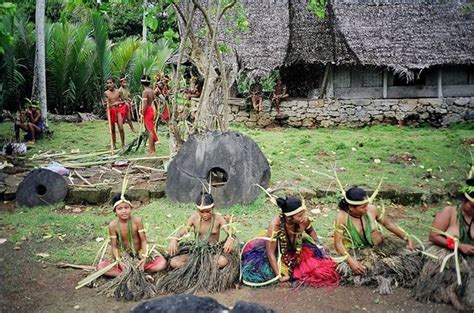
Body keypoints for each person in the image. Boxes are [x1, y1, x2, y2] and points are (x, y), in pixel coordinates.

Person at [333, 187, 421, 294]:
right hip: (358, 252)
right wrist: (351, 261)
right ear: (351, 207)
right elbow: (338, 243)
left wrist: (406, 237)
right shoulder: (342, 217)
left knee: (408, 261)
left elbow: (388, 224)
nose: (366, 208)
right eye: (362, 207)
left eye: (367, 204)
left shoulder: (372, 209)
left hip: (382, 248)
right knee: (359, 272)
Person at [241, 196, 339, 287]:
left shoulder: (303, 221)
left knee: (321, 270)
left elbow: (310, 231)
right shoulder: (275, 225)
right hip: (279, 253)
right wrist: (278, 276)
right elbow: (270, 253)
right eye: (299, 216)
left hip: (297, 249)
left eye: (303, 214)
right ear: (289, 217)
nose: (303, 218)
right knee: (263, 272)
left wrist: (319, 246)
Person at [156, 192, 239, 294]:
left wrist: (230, 238)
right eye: (201, 211)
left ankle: (194, 270)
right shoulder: (194, 217)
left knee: (223, 261)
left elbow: (230, 232)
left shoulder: (218, 218)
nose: (204, 215)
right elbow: (184, 230)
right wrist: (174, 239)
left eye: (208, 211)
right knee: (174, 262)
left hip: (212, 252)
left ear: (213, 207)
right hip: (197, 252)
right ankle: (202, 270)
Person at [414, 175, 474, 310]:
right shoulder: (450, 212)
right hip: (449, 255)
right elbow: (434, 236)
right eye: (472, 206)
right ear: (464, 201)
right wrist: (459, 246)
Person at [97, 193, 167, 277]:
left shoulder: (137, 221)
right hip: (123, 256)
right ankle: (129, 273)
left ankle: (135, 271)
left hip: (139, 254)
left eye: (126, 207)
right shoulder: (113, 225)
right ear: (114, 211)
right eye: (120, 208)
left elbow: (144, 241)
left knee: (162, 264)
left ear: (131, 208)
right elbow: (114, 246)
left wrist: (144, 257)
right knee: (101, 267)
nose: (124, 211)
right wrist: (119, 261)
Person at [103, 78, 126, 149]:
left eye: (110, 83)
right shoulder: (106, 93)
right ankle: (113, 144)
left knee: (121, 128)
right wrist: (106, 104)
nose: (109, 85)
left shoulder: (118, 92)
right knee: (112, 129)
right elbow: (105, 103)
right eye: (108, 83)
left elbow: (123, 101)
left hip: (118, 110)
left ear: (114, 83)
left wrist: (117, 103)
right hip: (110, 111)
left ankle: (123, 144)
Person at [141, 75, 159, 154]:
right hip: (151, 110)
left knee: (149, 130)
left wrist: (142, 113)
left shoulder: (145, 92)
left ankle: (151, 150)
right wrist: (157, 110)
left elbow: (144, 105)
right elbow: (155, 102)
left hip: (147, 111)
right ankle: (152, 149)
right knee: (150, 129)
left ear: (141, 84)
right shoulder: (152, 91)